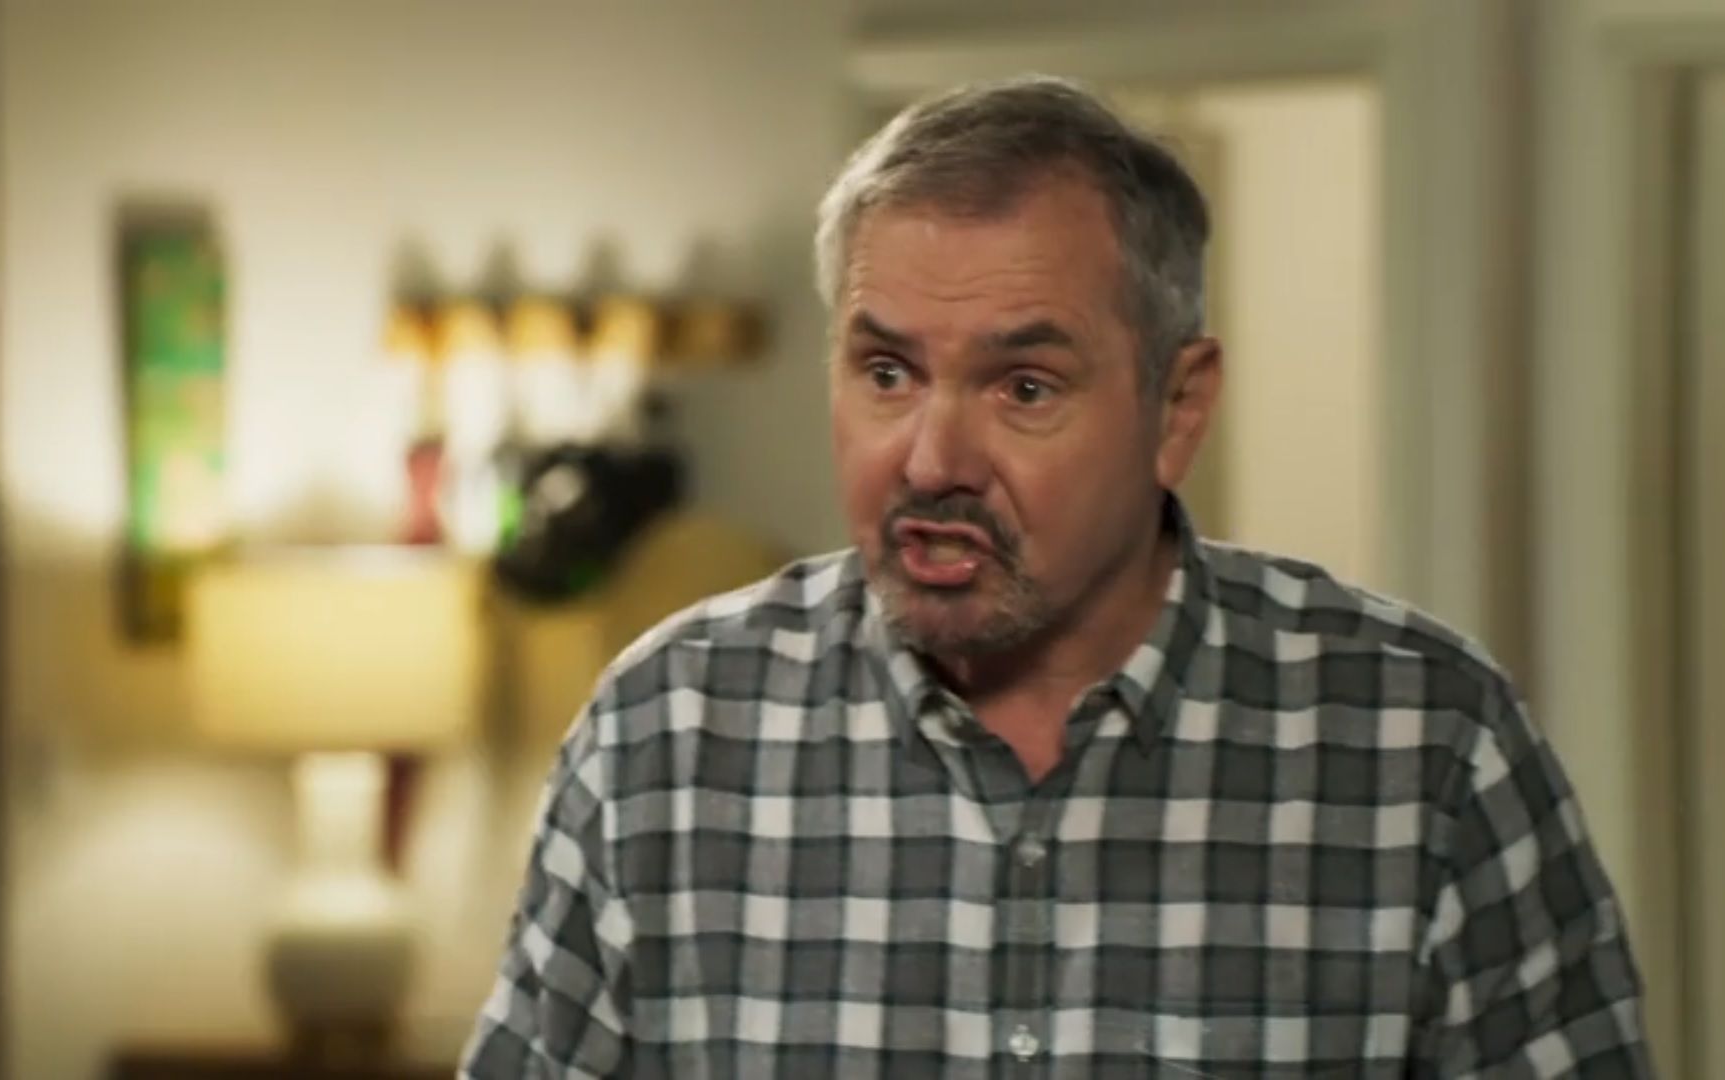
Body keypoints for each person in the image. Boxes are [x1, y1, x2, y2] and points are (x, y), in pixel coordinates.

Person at [460, 75, 1652, 1078]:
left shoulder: (1424, 744)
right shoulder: (665, 737)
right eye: (887, 373)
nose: (932, 459)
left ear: (1176, 409)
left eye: (1023, 387)